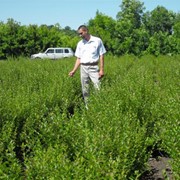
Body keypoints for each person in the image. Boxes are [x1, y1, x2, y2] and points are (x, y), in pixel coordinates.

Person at [69, 25, 106, 108]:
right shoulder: (80, 44)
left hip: (94, 67)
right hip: (83, 68)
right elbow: (79, 58)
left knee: (98, 88)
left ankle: (99, 106)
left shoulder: (97, 41)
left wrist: (101, 70)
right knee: (85, 89)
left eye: (81, 33)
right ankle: (88, 107)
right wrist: (73, 71)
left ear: (86, 31)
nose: (80, 35)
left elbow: (101, 55)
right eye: (79, 34)